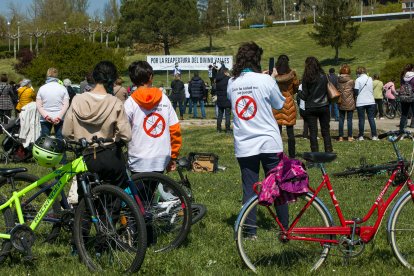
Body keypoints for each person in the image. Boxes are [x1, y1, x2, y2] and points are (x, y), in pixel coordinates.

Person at [227, 41, 288, 236]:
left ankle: (249, 231)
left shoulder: (232, 83)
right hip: (269, 141)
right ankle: (285, 227)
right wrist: (272, 79)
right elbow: (279, 104)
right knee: (277, 185)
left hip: (245, 143)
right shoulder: (266, 81)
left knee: (249, 188)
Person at [63, 60, 131, 186]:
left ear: (94, 76)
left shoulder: (77, 100)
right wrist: (115, 138)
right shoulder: (115, 102)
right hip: (109, 154)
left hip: (85, 155)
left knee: (86, 197)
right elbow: (126, 135)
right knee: (114, 197)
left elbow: (66, 132)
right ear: (113, 78)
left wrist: (79, 138)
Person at [125, 60, 182, 174]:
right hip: (161, 157)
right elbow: (174, 129)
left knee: (139, 191)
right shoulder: (164, 98)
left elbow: (123, 131)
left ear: (132, 80)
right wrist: (174, 155)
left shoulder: (129, 103)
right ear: (150, 77)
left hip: (138, 158)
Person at [298, 57, 333, 152]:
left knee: (313, 132)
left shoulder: (306, 78)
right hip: (324, 105)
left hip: (311, 107)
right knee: (325, 131)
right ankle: (329, 152)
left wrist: (299, 92)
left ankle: (315, 154)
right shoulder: (325, 76)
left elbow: (304, 96)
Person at [273, 54, 299, 158]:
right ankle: (292, 155)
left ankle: (277, 153)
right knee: (290, 132)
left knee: (277, 132)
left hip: (276, 103)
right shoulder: (292, 74)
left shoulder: (274, 74)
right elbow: (296, 87)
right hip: (288, 103)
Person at [36, 67, 69, 141]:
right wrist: (59, 117)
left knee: (44, 139)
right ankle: (61, 152)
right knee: (60, 140)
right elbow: (66, 105)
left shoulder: (42, 88)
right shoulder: (63, 88)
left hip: (45, 117)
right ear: (57, 75)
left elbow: (38, 105)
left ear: (47, 75)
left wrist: (46, 116)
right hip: (60, 117)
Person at [354, 66, 378, 141]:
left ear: (358, 72)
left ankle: (361, 136)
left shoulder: (357, 80)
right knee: (371, 119)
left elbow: (356, 92)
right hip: (370, 100)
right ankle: (374, 135)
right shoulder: (370, 79)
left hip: (361, 101)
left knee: (361, 119)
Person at [337, 64, 356, 142]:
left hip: (340, 101)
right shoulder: (351, 81)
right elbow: (355, 91)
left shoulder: (338, 80)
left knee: (341, 120)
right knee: (349, 120)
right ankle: (350, 136)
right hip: (350, 101)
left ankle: (340, 137)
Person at [215, 68, 231, 133]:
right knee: (227, 115)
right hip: (227, 99)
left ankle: (218, 129)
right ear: (225, 72)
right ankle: (227, 129)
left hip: (220, 99)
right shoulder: (228, 79)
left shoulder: (217, 80)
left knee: (220, 115)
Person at [399, 64, 414, 131]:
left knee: (404, 114)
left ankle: (401, 130)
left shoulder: (403, 76)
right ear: (412, 69)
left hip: (403, 97)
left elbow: (401, 86)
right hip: (412, 96)